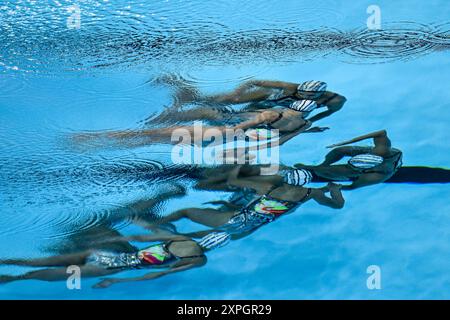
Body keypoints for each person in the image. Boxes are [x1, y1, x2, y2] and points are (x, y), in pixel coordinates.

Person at [155, 165, 345, 240]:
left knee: (187, 212)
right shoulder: (312, 193)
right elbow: (338, 205)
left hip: (235, 220)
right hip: (247, 231)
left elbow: (233, 182)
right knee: (195, 236)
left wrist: (238, 166)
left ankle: (156, 224)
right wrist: (335, 190)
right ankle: (173, 236)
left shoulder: (268, 189)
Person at [0, 228, 230, 289]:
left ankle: (6, 263)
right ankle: (9, 278)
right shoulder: (199, 259)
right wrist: (117, 282)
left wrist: (123, 235)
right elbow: (158, 273)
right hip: (110, 268)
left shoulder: (181, 238)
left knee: (40, 262)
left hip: (105, 254)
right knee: (46, 275)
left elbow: (143, 235)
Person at [295, 130, 403, 190]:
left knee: (323, 171)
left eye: (351, 166)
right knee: (340, 150)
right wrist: (348, 141)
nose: (349, 164)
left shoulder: (375, 177)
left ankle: (320, 168)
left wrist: (330, 188)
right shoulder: (381, 150)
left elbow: (352, 187)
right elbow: (381, 132)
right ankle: (323, 164)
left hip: (382, 170)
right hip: (380, 157)